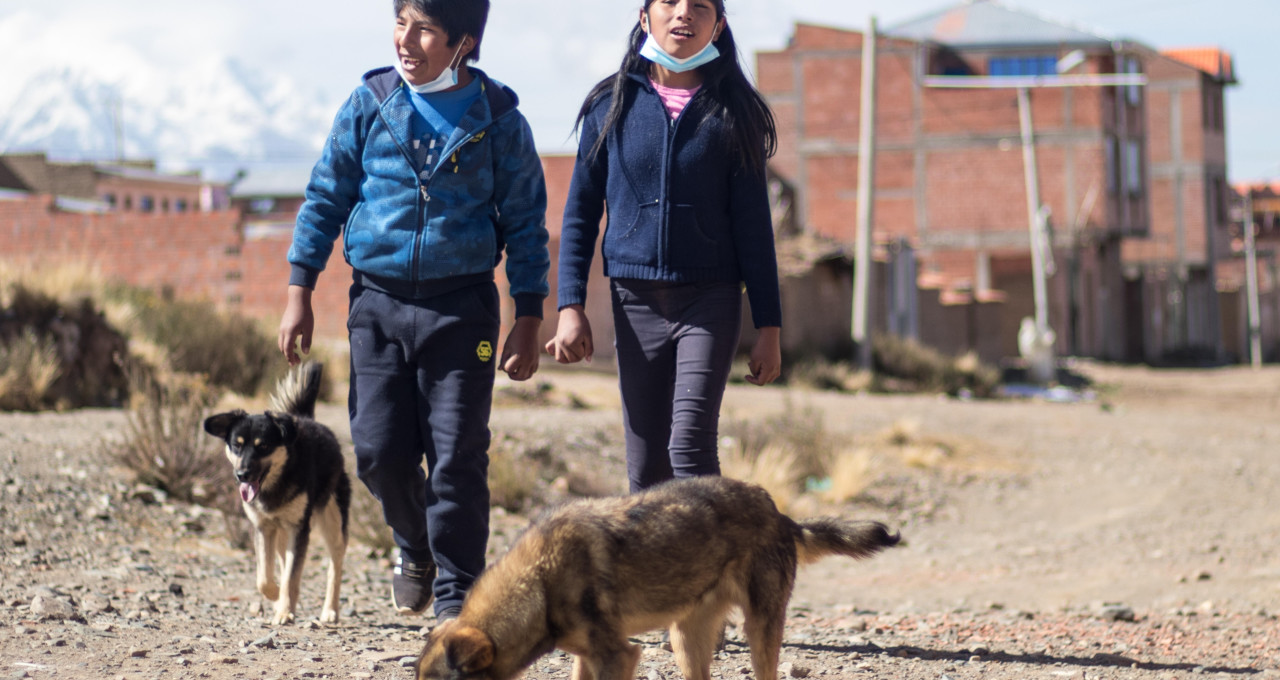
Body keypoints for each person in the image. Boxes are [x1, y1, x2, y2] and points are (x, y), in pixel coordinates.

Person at [277, 0, 549, 622]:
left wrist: (529, 315)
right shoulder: (371, 103)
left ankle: (458, 593)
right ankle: (414, 544)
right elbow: (325, 195)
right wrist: (299, 288)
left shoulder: (500, 119)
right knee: (377, 449)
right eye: (400, 22)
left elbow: (528, 224)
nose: (407, 40)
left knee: (457, 454)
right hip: (376, 303)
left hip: (463, 311)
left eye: (425, 28)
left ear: (463, 42)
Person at [546, 0, 782, 493]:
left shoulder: (734, 112)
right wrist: (570, 306)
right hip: (635, 303)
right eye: (670, 3)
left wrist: (769, 327)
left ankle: (719, 568)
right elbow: (580, 213)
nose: (683, 14)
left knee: (690, 448)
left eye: (699, 7)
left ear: (717, 26)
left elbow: (754, 228)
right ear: (644, 17)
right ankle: (658, 573)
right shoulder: (609, 105)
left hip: (710, 300)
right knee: (647, 468)